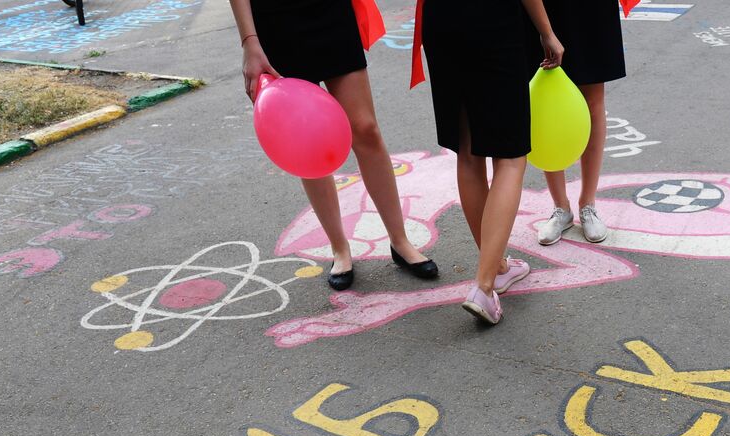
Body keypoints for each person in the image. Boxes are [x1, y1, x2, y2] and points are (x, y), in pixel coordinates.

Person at [231, 0, 438, 291]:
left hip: (331, 12)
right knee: (307, 140)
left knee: (365, 128)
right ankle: (340, 248)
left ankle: (400, 241)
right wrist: (249, 42)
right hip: (276, 23)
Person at [414, 0, 563, 324]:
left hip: (441, 22)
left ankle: (495, 268)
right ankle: (484, 284)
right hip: (491, 21)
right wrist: (547, 31)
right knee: (510, 159)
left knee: (468, 154)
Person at [536, 0, 629, 246]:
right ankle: (561, 208)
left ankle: (588, 204)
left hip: (592, 9)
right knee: (547, 98)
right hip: (544, 7)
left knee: (593, 101)